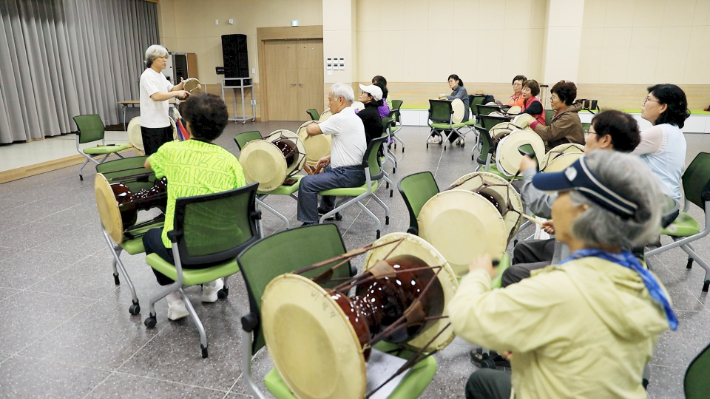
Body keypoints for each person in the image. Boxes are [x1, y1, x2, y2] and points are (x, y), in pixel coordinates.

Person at [451, 150, 676, 399]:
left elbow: (466, 317)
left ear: (581, 212)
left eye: (561, 194)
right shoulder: (645, 283)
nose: (554, 202)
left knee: (481, 381)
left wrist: (478, 275)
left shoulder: (559, 288)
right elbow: (594, 347)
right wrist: (536, 350)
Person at [504, 110, 641, 286]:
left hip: (590, 270)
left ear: (605, 140)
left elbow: (541, 204)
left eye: (590, 132)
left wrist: (528, 171)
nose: (586, 137)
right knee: (524, 249)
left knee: (512, 274)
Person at [142, 93, 246, 321]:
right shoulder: (231, 161)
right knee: (210, 223)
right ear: (220, 127)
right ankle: (210, 287)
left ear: (187, 124)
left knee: (150, 236)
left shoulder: (172, 151)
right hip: (228, 249)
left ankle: (175, 301)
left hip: (185, 254)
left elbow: (148, 164)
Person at [297, 83, 367, 226]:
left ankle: (310, 224)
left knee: (306, 183)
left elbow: (312, 130)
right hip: (359, 171)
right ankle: (326, 210)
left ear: (340, 100)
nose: (328, 104)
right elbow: (351, 147)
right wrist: (330, 158)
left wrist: (310, 124)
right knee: (328, 168)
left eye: (330, 100)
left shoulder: (340, 118)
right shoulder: (355, 117)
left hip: (348, 174)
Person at [632, 84, 689, 200]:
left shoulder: (659, 132)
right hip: (665, 199)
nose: (643, 104)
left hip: (658, 203)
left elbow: (615, 151)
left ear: (663, 107)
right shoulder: (673, 130)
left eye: (648, 99)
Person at [140, 45, 189, 155]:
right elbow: (156, 96)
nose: (165, 60)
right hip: (151, 125)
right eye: (161, 57)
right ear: (153, 59)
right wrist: (176, 93)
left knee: (167, 156)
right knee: (155, 158)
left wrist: (182, 84)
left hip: (164, 122)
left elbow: (172, 88)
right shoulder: (147, 75)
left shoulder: (160, 75)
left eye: (165, 57)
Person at [529, 80, 584, 151]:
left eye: (553, 97)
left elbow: (550, 134)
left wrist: (533, 124)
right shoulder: (562, 113)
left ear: (564, 100)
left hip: (565, 154)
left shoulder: (569, 117)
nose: (551, 100)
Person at [429, 74, 469, 145]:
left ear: (457, 81)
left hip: (462, 115)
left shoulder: (462, 89)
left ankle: (436, 136)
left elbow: (456, 98)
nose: (450, 83)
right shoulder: (453, 92)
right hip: (455, 114)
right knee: (444, 123)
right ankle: (460, 136)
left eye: (451, 81)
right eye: (449, 82)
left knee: (444, 121)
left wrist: (445, 95)